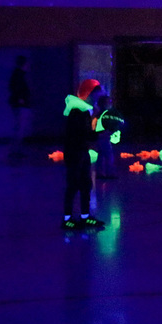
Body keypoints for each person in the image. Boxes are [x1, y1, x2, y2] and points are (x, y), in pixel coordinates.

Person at [62, 79, 105, 231]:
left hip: (81, 151)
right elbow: (84, 134)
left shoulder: (85, 111)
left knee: (85, 184)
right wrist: (97, 123)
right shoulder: (77, 112)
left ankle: (85, 217)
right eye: (96, 94)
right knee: (73, 185)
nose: (97, 98)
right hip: (75, 152)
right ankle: (67, 219)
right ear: (88, 94)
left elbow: (89, 135)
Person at [93, 94, 124, 181]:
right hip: (103, 136)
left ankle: (101, 173)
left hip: (103, 136)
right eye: (108, 102)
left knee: (102, 154)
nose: (110, 104)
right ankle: (108, 172)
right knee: (108, 154)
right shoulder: (102, 114)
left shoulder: (100, 114)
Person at [8, 55, 30, 158]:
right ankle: (16, 151)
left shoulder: (17, 74)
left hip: (19, 104)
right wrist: (21, 99)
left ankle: (16, 150)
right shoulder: (19, 75)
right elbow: (17, 88)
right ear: (24, 64)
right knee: (20, 128)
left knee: (19, 127)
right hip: (21, 104)